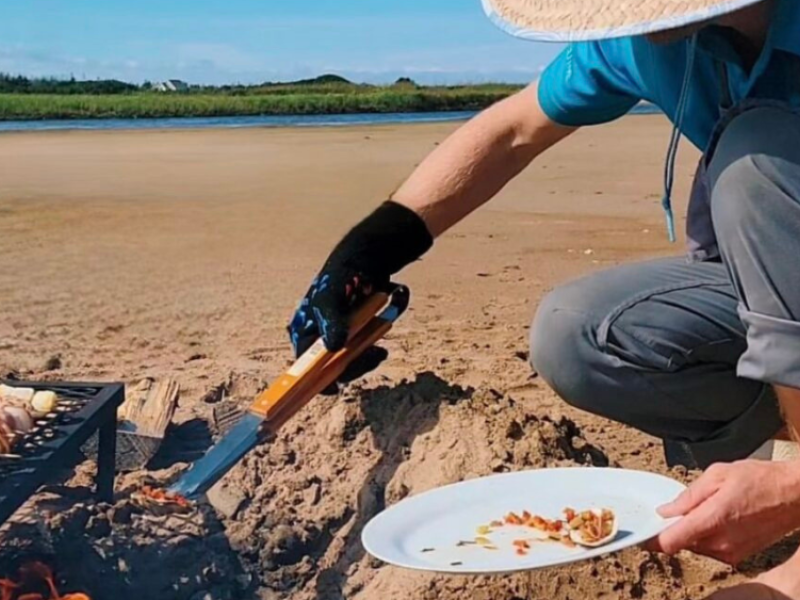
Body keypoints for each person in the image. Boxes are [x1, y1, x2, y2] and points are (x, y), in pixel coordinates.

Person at [287, 0, 800, 596]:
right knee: (578, 333)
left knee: (757, 157)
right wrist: (364, 258)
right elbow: (512, 131)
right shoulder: (657, 36)